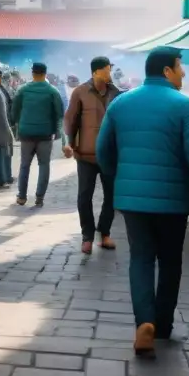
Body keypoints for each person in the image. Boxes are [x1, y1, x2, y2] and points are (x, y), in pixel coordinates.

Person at [96, 47, 189, 357]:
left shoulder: (120, 104)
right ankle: (162, 324)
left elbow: (103, 151)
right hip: (173, 200)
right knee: (171, 260)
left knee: (141, 258)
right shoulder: (185, 106)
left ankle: (143, 322)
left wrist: (118, 179)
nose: (184, 72)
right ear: (166, 71)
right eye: (180, 66)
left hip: (132, 202)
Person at [64, 57, 121, 254]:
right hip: (86, 155)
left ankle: (104, 233)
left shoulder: (116, 92)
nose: (109, 73)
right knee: (84, 196)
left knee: (112, 197)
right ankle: (87, 236)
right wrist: (69, 144)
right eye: (107, 70)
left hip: (109, 155)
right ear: (96, 72)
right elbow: (70, 120)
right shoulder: (80, 92)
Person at [11, 62, 65, 207]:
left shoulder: (23, 90)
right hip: (45, 135)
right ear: (45, 74)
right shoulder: (52, 91)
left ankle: (22, 197)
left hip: (26, 134)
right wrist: (58, 132)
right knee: (44, 165)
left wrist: (18, 125)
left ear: (32, 73)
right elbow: (60, 113)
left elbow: (14, 111)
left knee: (24, 165)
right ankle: (39, 197)